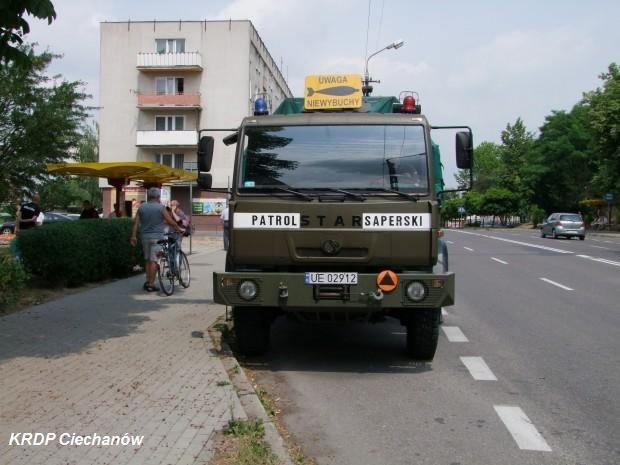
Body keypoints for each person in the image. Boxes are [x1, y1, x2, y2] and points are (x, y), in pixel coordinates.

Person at [130, 187, 185, 292]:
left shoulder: (141, 207)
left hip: (144, 237)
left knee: (147, 260)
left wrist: (133, 236)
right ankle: (151, 284)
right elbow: (169, 221)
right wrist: (179, 228)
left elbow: (136, 222)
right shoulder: (160, 207)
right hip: (157, 238)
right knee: (154, 260)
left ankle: (147, 281)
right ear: (157, 197)